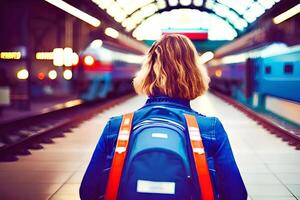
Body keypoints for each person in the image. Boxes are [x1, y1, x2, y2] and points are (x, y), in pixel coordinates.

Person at [80, 34, 247, 200]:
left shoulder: (116, 127)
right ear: (195, 74)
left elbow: (87, 192)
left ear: (147, 73)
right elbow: (237, 195)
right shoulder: (210, 128)